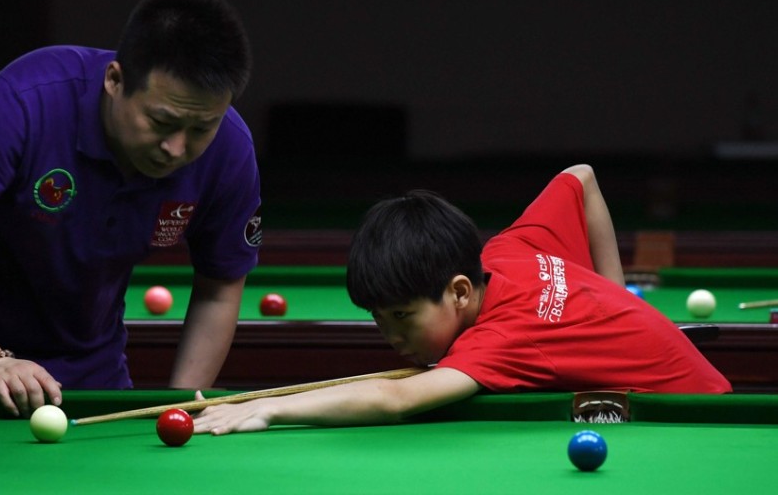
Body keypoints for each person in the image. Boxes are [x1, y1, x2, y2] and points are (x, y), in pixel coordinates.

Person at [0, 0, 262, 417]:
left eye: (201, 129)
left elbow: (219, 289)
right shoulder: (28, 99)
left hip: (91, 383)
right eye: (162, 122)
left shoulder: (229, 148)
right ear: (115, 80)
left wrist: (177, 406)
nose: (177, 148)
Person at [193, 164, 730, 435]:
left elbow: (396, 400)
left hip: (697, 420)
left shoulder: (501, 339)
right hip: (697, 399)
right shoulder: (511, 249)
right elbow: (580, 178)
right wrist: (612, 300)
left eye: (403, 316)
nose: (392, 337)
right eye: (380, 321)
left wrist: (268, 407)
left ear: (459, 291)